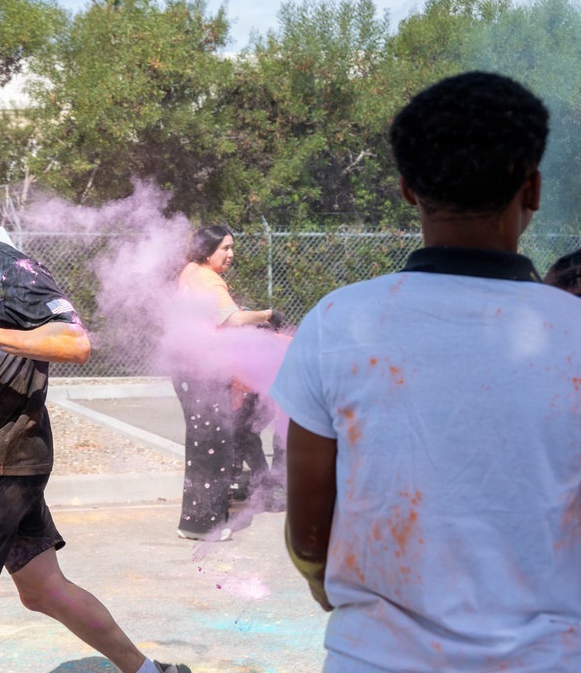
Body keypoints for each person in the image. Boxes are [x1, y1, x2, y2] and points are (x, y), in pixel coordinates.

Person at [270, 71, 581, 671]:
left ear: (409, 189)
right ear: (534, 188)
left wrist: (340, 597)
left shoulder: (338, 321)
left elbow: (309, 536)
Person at [0, 169, 186, 673]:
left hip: (2, 458)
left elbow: (75, 343)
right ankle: (151, 670)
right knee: (43, 590)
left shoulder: (11, 268)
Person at [171, 225, 284, 542]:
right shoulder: (208, 278)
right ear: (208, 250)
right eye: (225, 248)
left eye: (232, 248)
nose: (231, 254)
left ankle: (194, 522)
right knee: (215, 446)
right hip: (203, 369)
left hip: (186, 368)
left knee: (202, 444)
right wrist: (267, 314)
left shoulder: (191, 271)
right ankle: (206, 525)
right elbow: (231, 319)